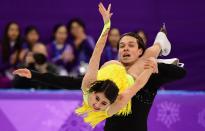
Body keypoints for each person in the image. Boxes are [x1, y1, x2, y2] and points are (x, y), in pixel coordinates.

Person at [13, 2, 172, 127]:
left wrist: (106, 26)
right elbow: (138, 84)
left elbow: (97, 52)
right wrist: (149, 69)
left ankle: (161, 42)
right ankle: (160, 41)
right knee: (147, 57)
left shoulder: (88, 84)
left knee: (147, 55)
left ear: (93, 90)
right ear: (111, 102)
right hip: (126, 80)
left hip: (109, 71)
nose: (96, 105)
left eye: (98, 100)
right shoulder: (116, 104)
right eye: (101, 102)